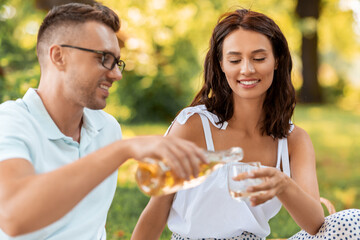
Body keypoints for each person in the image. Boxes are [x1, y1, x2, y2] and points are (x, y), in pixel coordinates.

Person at [132, 9, 360, 240]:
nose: (247, 69)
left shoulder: (294, 140)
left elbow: (315, 226)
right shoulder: (193, 126)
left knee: (353, 223)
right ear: (221, 64)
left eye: (259, 58)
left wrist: (283, 184)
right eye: (234, 60)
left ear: (277, 61)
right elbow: (156, 211)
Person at [0, 2, 207, 239]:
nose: (117, 74)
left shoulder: (107, 129)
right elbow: (13, 217)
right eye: (103, 58)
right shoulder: (9, 122)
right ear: (59, 56)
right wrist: (123, 149)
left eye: (117, 62)